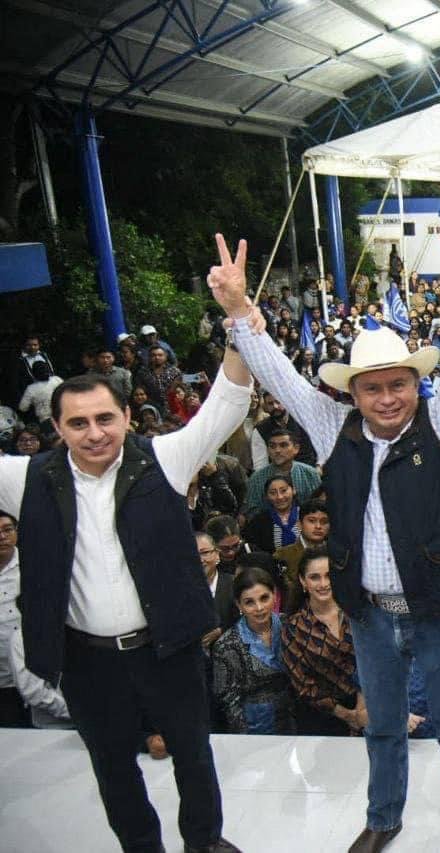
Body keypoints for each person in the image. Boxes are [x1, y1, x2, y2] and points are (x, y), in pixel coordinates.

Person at [208, 231, 440, 853]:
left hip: (439, 611)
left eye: (398, 384)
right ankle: (383, 819)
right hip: (369, 615)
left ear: (415, 383)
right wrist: (239, 311)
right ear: (352, 393)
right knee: (383, 727)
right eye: (372, 388)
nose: (387, 398)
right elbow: (282, 378)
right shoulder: (331, 428)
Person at [0, 280, 254, 852]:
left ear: (126, 416)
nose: (95, 433)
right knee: (113, 766)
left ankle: (204, 842)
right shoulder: (27, 480)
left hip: (168, 651)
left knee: (194, 754)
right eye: (78, 423)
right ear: (57, 428)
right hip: (87, 662)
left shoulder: (163, 459)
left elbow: (226, 406)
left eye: (105, 419)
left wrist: (238, 321)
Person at [281, 547, 364, 737]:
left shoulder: (358, 613)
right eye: (315, 577)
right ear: (303, 581)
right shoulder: (294, 627)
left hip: (370, 709)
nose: (324, 583)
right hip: (322, 721)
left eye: (329, 576)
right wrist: (348, 715)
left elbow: (375, 661)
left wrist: (362, 709)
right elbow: (303, 685)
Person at [211, 567, 296, 734]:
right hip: (254, 728)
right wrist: (247, 740)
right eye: (249, 602)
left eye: (264, 598)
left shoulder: (290, 626)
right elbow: (229, 702)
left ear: (274, 595)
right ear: (239, 604)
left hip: (296, 722)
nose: (259, 607)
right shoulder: (227, 644)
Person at [242, 428, 321, 519]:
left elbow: (319, 506)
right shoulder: (257, 478)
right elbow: (252, 512)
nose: (277, 450)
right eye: (272, 446)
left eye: (283, 445)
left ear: (296, 448)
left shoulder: (310, 474)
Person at [274, 499, 330, 611]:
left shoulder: (337, 556)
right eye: (312, 521)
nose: (318, 526)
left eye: (324, 522)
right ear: (299, 524)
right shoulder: (282, 556)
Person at [242, 475, 301, 554]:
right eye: (273, 493)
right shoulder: (258, 522)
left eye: (283, 491)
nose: (279, 497)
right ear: (267, 496)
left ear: (293, 490)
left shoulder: (306, 514)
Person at [0, 511, 21, 726]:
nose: (2, 537)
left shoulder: (33, 566)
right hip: (3, 682)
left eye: (7, 530)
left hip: (37, 678)